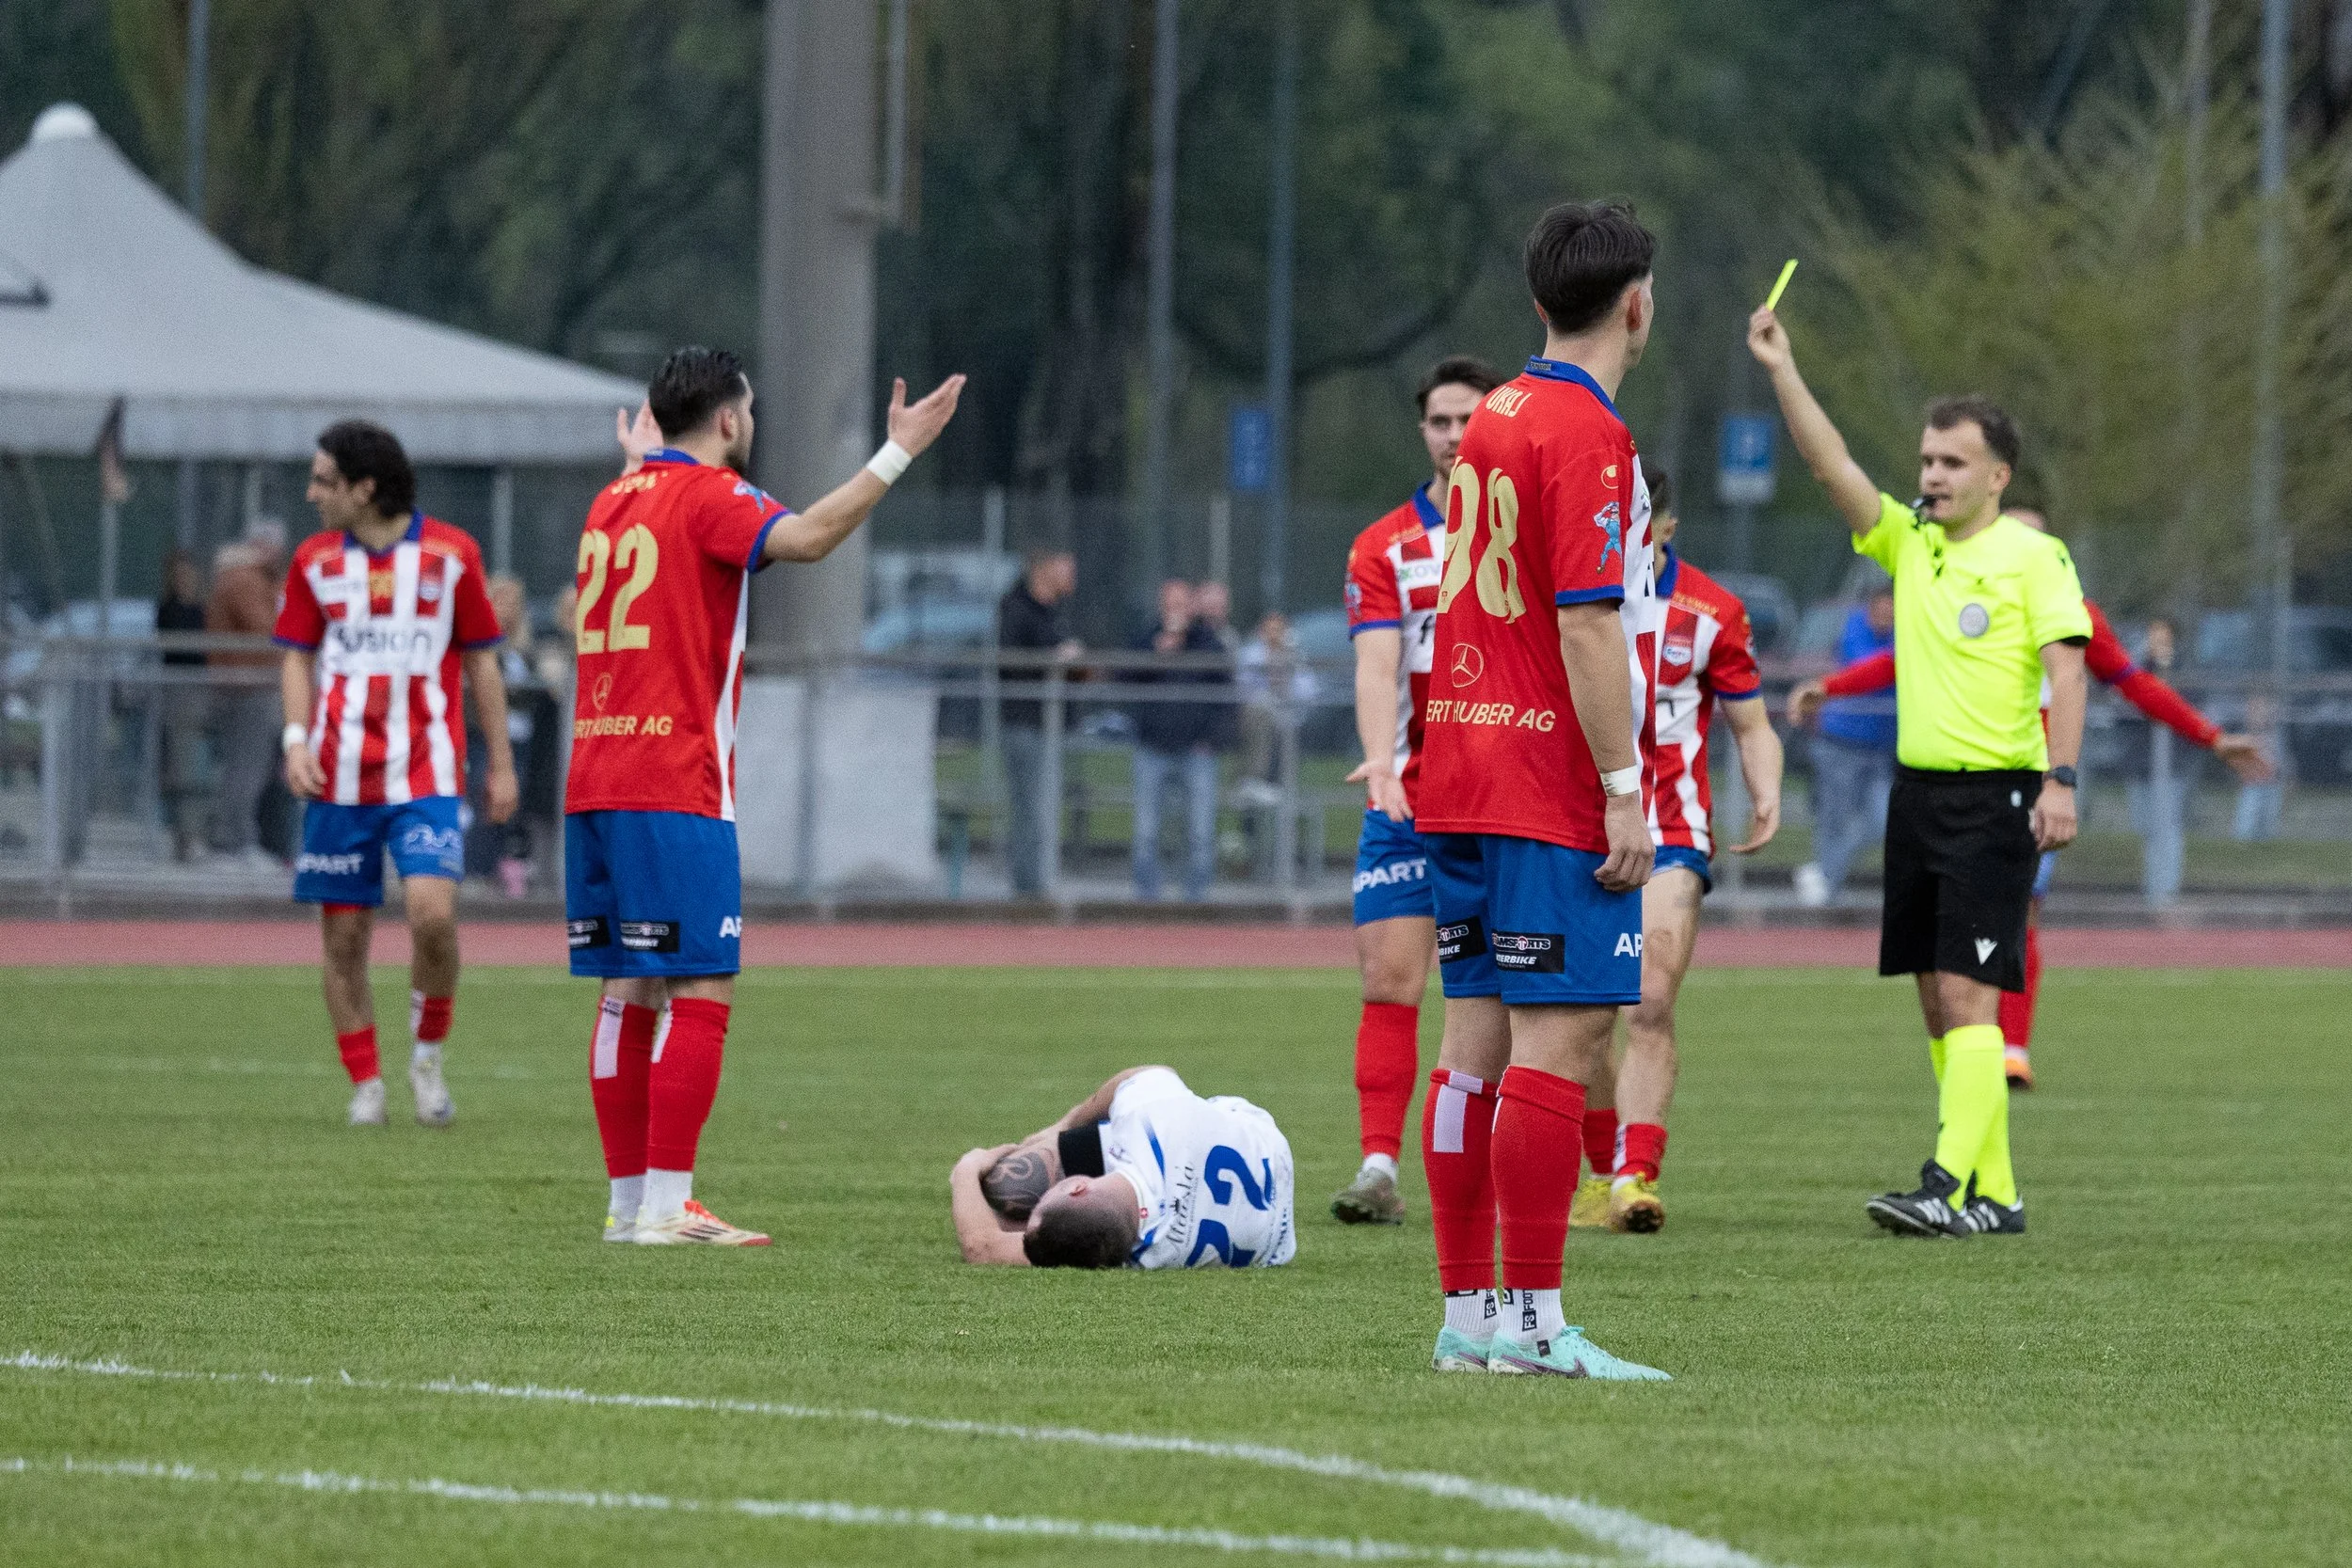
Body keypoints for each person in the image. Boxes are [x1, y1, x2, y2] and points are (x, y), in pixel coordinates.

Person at [572, 347, 963, 1245]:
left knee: (629, 986)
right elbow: (811, 537)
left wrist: (640, 457)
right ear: (728, 420)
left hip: (596, 772)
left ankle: (630, 1207)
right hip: (674, 779)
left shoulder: (613, 497)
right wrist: (897, 451)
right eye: (747, 411)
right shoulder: (709, 494)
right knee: (702, 980)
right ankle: (670, 1206)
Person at [1749, 304, 2090, 1240]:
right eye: (1926, 461)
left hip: (1997, 796)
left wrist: (2059, 778)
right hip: (1919, 795)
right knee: (1939, 1000)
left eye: (1949, 463)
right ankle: (1998, 1191)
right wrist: (1783, 368)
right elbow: (1832, 467)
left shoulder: (2033, 556)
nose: (1930, 476)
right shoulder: (1911, 542)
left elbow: (2067, 669)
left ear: (1995, 474)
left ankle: (1944, 1182)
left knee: (1972, 993)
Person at [1411, 201, 1668, 1380]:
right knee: (1558, 1043)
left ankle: (1468, 1318)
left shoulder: (1498, 412)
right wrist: (1625, 787)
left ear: (1535, 305)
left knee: (1469, 1044)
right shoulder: (1587, 433)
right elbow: (1585, 617)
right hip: (1538, 780)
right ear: (1636, 304)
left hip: (1456, 762)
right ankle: (1533, 1324)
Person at [1792, 516, 2271, 1089]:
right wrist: (1836, 685)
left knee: (2020, 912)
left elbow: (2133, 683)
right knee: (1950, 926)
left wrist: (2211, 736)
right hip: (1958, 784)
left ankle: (2009, 1048)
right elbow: (1903, 658)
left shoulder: (2075, 614)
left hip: (2034, 786)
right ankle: (1973, 1042)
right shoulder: (1959, 604)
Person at [276, 421, 519, 1130]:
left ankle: (427, 1060)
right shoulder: (315, 560)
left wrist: (500, 764)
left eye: (323, 480)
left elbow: (481, 660)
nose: (311, 492)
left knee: (432, 915)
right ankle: (366, 1084)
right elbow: (295, 653)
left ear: (364, 487)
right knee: (344, 938)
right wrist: (296, 739)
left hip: (427, 772)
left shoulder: (452, 553)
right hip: (339, 778)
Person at [1570, 471, 1783, 1234]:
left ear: (1665, 525)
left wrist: (1765, 790)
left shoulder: (1712, 610)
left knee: (1650, 995)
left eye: (1638, 521)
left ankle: (1636, 1172)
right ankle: (1602, 1172)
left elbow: (1752, 724)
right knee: (1585, 1014)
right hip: (1575, 828)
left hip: (1672, 831)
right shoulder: (1570, 597)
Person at [1327, 353, 1501, 1227]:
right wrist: (1381, 761)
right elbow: (1375, 662)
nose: (1455, 436)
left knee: (1504, 994)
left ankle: (1526, 1164)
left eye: (1470, 419)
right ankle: (1379, 1167)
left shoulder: (1524, 531)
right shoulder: (1385, 545)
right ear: (1423, 430)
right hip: (1409, 799)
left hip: (1505, 800)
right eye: (1440, 421)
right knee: (1391, 976)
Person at [949, 1066, 1295, 1270]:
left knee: (1006, 1191)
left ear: (1076, 1186)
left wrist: (966, 1168)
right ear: (1079, 1187)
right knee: (1012, 1189)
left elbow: (983, 1246)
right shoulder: (1151, 1119)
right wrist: (1063, 1125)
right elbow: (1146, 1073)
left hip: (1270, 1217)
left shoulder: (1137, 1251)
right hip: (1261, 1142)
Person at [1792, 579, 1896, 906]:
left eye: (1892, 608)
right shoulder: (1853, 628)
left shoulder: (1905, 635)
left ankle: (1823, 872)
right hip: (1839, 742)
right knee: (1833, 817)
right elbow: (1868, 668)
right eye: (1880, 606)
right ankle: (1827, 887)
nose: (1885, 613)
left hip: (1880, 748)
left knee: (1882, 821)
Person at [1126, 578, 1231, 902]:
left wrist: (1212, 739)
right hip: (1152, 748)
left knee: (1200, 830)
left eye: (1182, 604)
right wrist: (1156, 654)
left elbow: (1227, 694)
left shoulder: (1207, 643)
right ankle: (1147, 899)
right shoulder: (1146, 639)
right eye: (1170, 604)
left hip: (1197, 751)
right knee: (1146, 831)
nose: (1176, 610)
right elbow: (1122, 677)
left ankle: (1196, 900)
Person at [995, 548, 1082, 897]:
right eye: (1066, 566)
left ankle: (1036, 884)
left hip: (1051, 724)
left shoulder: (1056, 611)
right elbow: (1011, 662)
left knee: (1043, 806)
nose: (1072, 575)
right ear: (1044, 567)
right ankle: (1028, 890)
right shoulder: (1014, 607)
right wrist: (1054, 660)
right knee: (1030, 806)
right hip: (1024, 723)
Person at [207, 517, 288, 864]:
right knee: (246, 766)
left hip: (251, 682)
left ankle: (237, 836)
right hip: (245, 684)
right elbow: (267, 628)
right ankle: (232, 841)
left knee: (249, 765)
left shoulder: (251, 578)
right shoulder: (244, 578)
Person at [155, 548, 212, 863]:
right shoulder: (169, 610)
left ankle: (199, 833)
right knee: (184, 766)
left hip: (206, 695)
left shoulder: (204, 609)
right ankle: (185, 836)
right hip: (181, 696)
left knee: (201, 767)